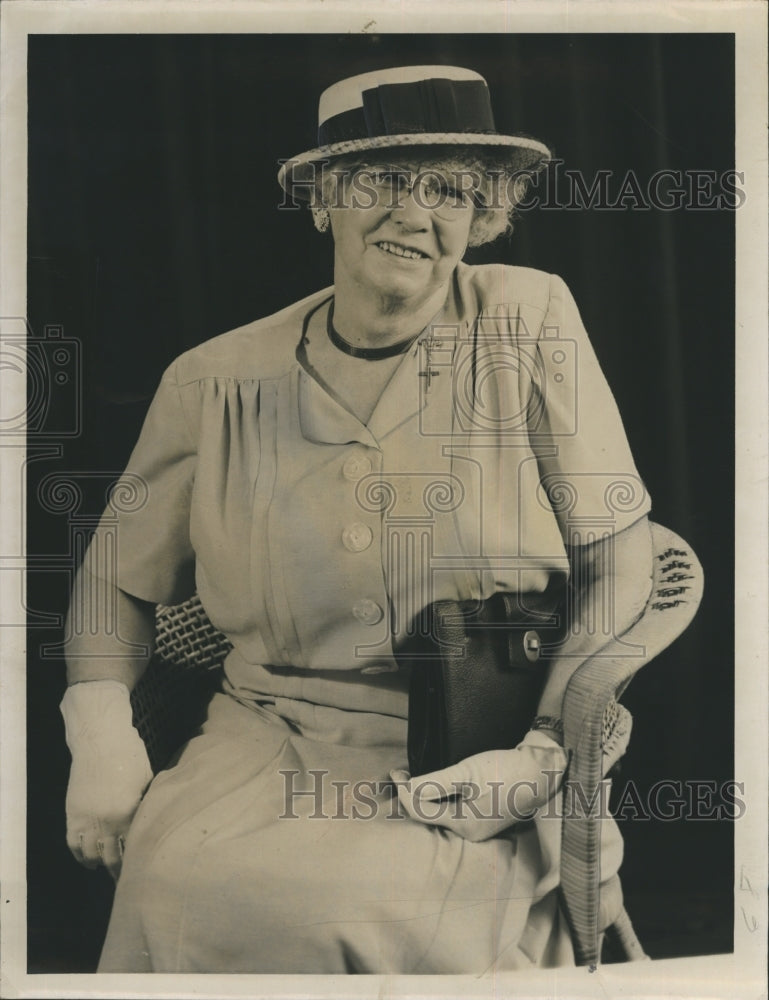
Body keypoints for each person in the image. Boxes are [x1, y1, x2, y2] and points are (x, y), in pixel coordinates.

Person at [60, 65, 653, 973]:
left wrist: (543, 750)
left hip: (472, 748)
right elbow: (113, 578)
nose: (414, 215)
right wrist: (98, 726)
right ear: (322, 199)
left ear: (481, 214)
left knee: (352, 909)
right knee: (179, 882)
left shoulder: (528, 320)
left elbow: (621, 560)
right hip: (267, 732)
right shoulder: (213, 380)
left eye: (450, 190)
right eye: (379, 182)